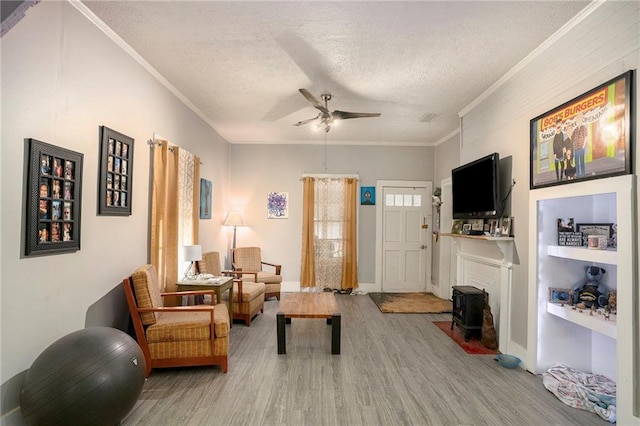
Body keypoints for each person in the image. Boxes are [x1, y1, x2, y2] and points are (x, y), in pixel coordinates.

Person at [572, 112, 588, 177]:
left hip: (581, 148)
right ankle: (578, 175)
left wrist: (583, 146)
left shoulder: (584, 128)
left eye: (580, 118)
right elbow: (573, 139)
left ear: (581, 119)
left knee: (581, 162)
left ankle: (583, 175)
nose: (578, 119)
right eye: (577, 118)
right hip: (575, 149)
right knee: (576, 163)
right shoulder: (575, 130)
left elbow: (586, 137)